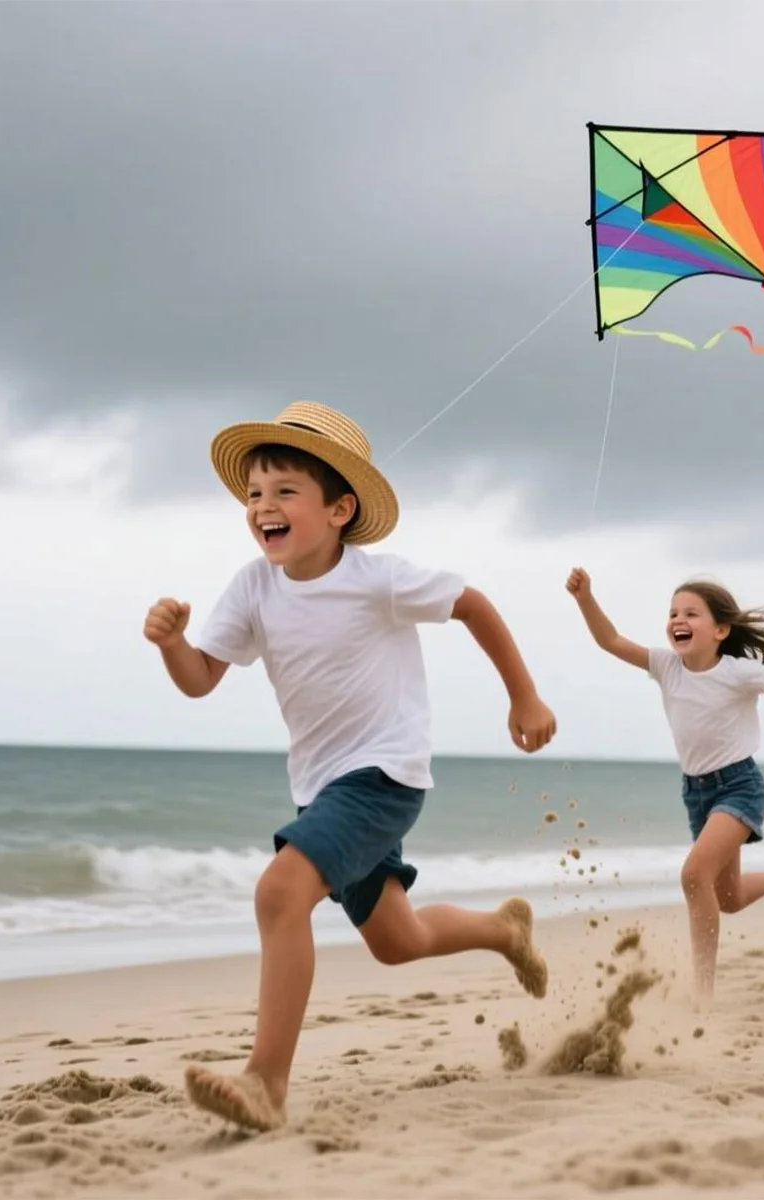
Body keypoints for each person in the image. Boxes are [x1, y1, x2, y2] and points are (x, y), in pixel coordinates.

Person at [143, 401, 557, 1132]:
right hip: (321, 786)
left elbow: (474, 604)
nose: (263, 506)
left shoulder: (380, 578)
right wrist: (173, 644)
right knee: (399, 943)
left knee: (280, 894)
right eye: (254, 494)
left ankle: (265, 1083)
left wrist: (524, 697)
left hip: (385, 775)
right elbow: (203, 677)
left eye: (283, 492)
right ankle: (504, 931)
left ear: (339, 508)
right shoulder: (253, 587)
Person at [564, 568, 764, 1007]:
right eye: (674, 612)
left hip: (739, 787)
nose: (679, 619)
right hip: (696, 793)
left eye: (691, 613)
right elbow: (611, 640)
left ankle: (702, 995)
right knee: (728, 897)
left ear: (720, 629)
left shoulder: (740, 672)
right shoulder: (666, 665)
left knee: (694, 875)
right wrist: (585, 598)